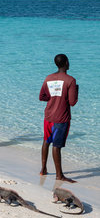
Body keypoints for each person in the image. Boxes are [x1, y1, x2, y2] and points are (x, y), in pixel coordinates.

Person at [39, 54, 78, 183]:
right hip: (61, 118)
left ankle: (43, 169)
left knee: (46, 141)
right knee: (57, 146)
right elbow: (72, 102)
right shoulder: (70, 80)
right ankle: (59, 175)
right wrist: (76, 91)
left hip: (48, 116)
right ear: (66, 63)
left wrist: (53, 98)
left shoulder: (48, 78)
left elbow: (42, 96)